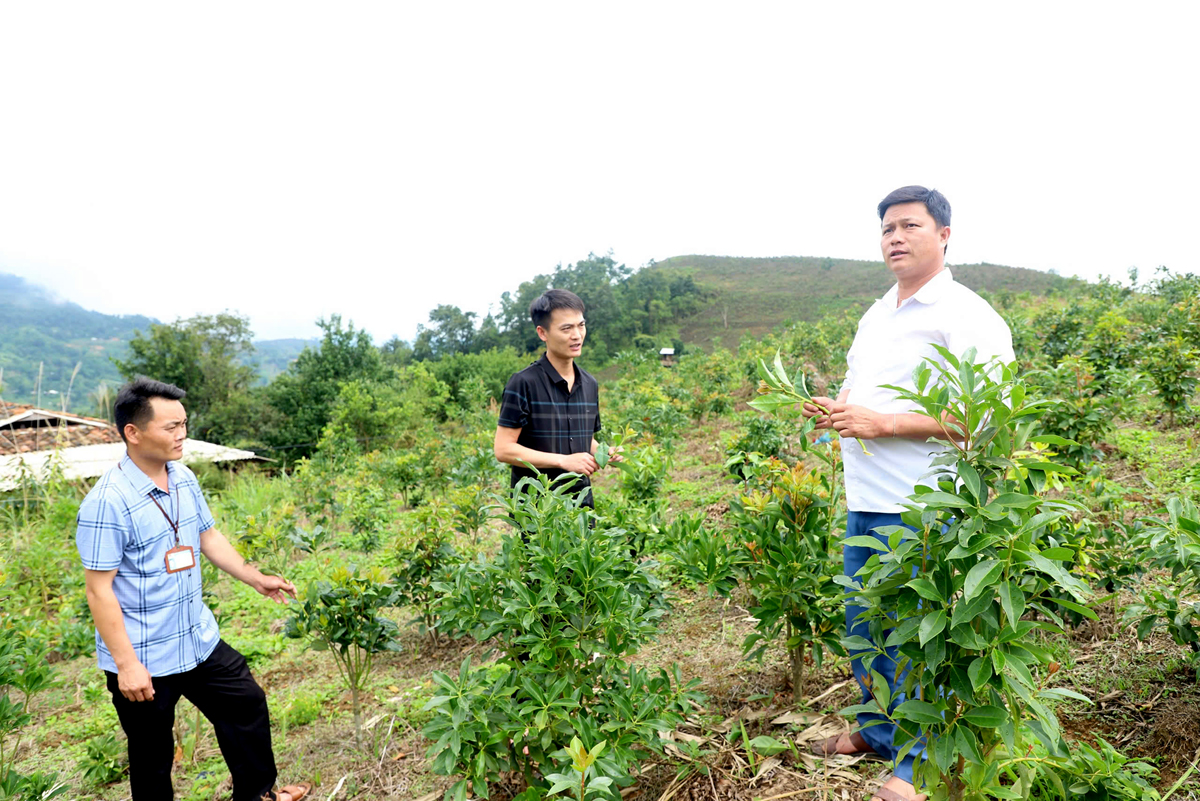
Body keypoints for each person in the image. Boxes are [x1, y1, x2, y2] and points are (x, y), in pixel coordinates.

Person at [802, 186, 1014, 801]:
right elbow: (862, 392)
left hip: (924, 504)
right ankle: (877, 731)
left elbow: (990, 414)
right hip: (866, 495)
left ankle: (920, 761)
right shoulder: (878, 313)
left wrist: (886, 423)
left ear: (944, 235)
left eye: (909, 226)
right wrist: (838, 410)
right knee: (864, 623)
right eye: (887, 229)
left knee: (916, 632)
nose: (895, 237)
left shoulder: (968, 315)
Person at [76, 377, 311, 801]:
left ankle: (258, 795)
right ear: (133, 432)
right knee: (152, 754)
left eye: (183, 423)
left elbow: (206, 536)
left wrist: (255, 577)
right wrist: (127, 665)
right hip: (144, 655)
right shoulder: (107, 502)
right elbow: (99, 591)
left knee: (246, 704)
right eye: (170, 427)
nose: (182, 434)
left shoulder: (182, 477)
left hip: (194, 638)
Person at [494, 288, 619, 508]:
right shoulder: (524, 383)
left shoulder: (590, 384)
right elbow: (504, 449)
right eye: (566, 328)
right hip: (538, 513)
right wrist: (563, 460)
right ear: (543, 333)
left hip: (581, 507)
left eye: (581, 325)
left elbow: (583, 438)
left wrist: (603, 452)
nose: (577, 335)